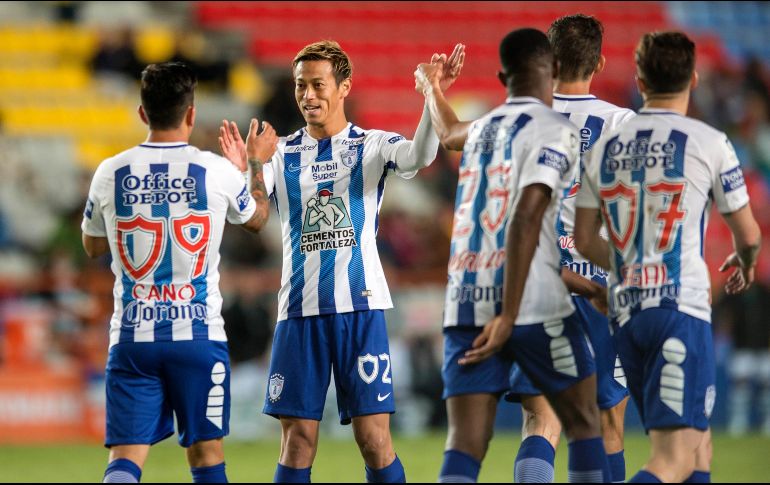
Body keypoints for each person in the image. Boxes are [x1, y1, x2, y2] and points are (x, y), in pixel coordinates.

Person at [219, 40, 464, 483]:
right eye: (300, 86)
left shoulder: (372, 146)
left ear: (344, 87)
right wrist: (250, 167)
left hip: (360, 309)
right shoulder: (280, 153)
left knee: (374, 441)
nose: (308, 95)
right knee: (297, 442)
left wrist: (433, 94)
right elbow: (250, 216)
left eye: (317, 84)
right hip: (298, 314)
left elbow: (421, 156)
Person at [415, 28, 610, 483]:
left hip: (465, 299)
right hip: (528, 304)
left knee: (465, 441)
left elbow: (446, 133)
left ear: (503, 76)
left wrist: (431, 86)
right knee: (581, 418)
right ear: (554, 72)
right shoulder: (556, 131)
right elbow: (525, 222)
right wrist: (511, 312)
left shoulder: (482, 127)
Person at [574, 31, 762, 483]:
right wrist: (744, 258)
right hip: (680, 309)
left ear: (639, 79)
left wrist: (625, 269)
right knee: (673, 457)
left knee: (698, 445)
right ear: (694, 79)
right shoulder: (709, 141)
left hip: (626, 315)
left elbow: (583, 239)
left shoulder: (603, 148)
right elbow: (749, 234)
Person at [81, 62, 276, 483]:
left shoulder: (109, 172)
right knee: (206, 457)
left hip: (133, 336)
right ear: (191, 113)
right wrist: (253, 165)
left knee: (125, 457)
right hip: (198, 335)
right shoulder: (216, 170)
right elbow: (258, 218)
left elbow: (92, 244)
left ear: (142, 113)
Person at [505, 14, 634, 483]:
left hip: (539, 288)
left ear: (550, 61)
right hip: (602, 289)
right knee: (606, 424)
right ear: (599, 62)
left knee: (542, 420)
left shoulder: (519, 118)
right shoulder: (623, 123)